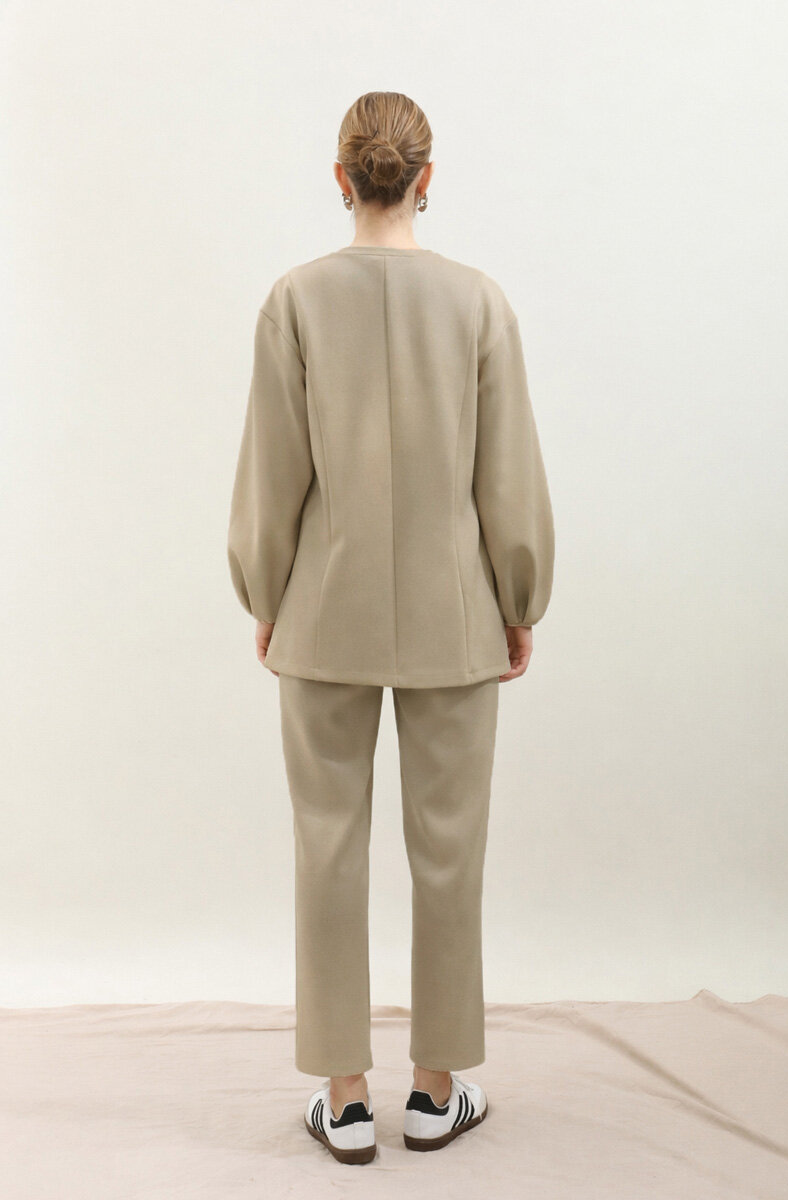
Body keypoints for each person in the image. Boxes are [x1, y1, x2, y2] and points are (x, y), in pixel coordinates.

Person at [227, 90, 555, 1165]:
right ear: (425, 178)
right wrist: (517, 599)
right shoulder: (477, 303)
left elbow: (273, 472)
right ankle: (434, 1089)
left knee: (327, 846)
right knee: (448, 851)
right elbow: (505, 474)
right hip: (455, 615)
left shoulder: (294, 300)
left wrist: (266, 594)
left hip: (323, 611)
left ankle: (344, 1096)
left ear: (341, 178)